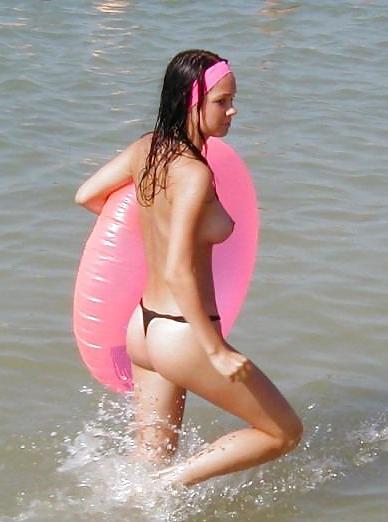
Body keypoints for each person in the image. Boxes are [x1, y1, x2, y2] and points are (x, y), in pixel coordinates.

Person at [75, 49, 303, 486]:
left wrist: (144, 230)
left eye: (233, 99)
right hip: (181, 333)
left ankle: (139, 502)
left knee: (148, 461)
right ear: (190, 101)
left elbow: (87, 195)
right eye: (222, 101)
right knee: (283, 431)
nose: (232, 110)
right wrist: (215, 349)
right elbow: (180, 270)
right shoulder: (194, 174)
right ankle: (172, 485)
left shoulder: (147, 150)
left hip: (142, 327)